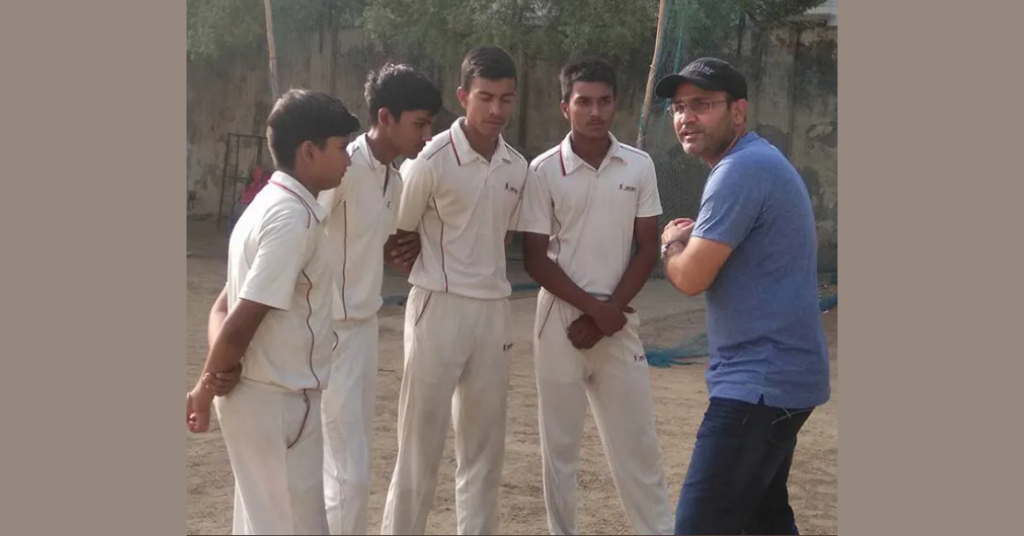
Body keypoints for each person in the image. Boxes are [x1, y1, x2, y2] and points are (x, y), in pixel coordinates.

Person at [654, 57, 831, 535]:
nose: (687, 117)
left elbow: (691, 277)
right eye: (679, 107)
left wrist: (671, 242)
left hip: (758, 385)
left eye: (703, 105)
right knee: (764, 521)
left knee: (698, 526)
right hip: (778, 379)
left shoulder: (740, 170)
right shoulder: (755, 162)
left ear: (738, 112)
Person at [185, 88, 361, 535]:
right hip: (277, 398)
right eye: (341, 148)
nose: (348, 160)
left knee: (261, 522)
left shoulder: (269, 205)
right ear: (309, 151)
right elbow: (241, 316)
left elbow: (221, 306)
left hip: (262, 394)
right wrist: (208, 383)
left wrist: (219, 372)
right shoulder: (290, 217)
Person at [517, 58, 675, 536]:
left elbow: (648, 247)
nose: (595, 111)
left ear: (616, 104)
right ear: (565, 106)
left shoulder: (639, 165)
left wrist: (609, 314)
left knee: (638, 445)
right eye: (583, 101)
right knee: (559, 450)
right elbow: (535, 259)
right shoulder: (543, 170)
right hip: (561, 320)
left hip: (617, 318)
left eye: (604, 101)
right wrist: (594, 310)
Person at [379, 45, 529, 535]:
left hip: (493, 313)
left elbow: (502, 236)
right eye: (485, 97)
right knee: (420, 445)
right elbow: (397, 236)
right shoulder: (429, 160)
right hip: (436, 308)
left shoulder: (516, 167)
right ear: (464, 96)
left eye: (506, 99)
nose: (496, 111)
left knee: (484, 450)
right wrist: (412, 254)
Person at [316, 63, 442, 536]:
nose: (427, 135)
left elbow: (385, 240)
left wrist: (398, 249)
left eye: (431, 124)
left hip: (363, 329)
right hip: (324, 330)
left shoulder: (397, 177)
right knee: (348, 474)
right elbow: (302, 232)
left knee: (346, 464)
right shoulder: (341, 167)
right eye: (420, 123)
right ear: (385, 116)